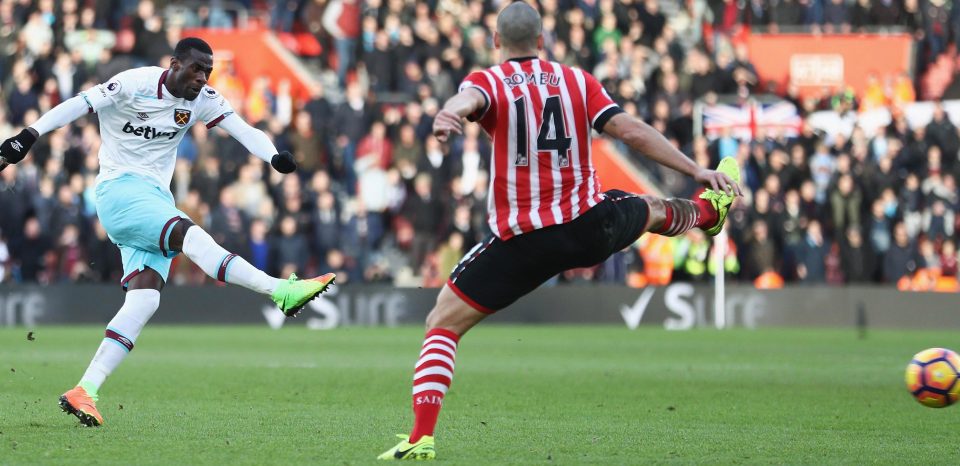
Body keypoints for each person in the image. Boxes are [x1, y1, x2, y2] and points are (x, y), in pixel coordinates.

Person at [377, 3, 741, 460]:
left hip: (524, 242)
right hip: (587, 227)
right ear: (543, 40)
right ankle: (709, 214)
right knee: (647, 208)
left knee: (441, 325)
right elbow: (629, 130)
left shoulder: (489, 80)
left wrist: (450, 114)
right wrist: (694, 168)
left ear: (496, 41)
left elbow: (468, 100)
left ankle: (421, 437)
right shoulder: (577, 81)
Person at [0, 38, 336, 427]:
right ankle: (279, 290)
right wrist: (29, 135)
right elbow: (79, 103)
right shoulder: (134, 83)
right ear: (174, 64)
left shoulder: (203, 99)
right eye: (195, 68)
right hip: (120, 191)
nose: (201, 77)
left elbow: (244, 129)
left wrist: (274, 156)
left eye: (207, 71)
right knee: (190, 235)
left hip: (155, 199)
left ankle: (85, 391)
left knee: (144, 300)